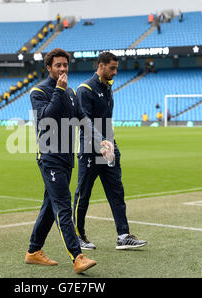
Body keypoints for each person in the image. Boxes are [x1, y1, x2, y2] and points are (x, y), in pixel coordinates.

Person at [25, 48, 108, 274]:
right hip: (49, 157)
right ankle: (77, 256)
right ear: (49, 68)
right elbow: (45, 119)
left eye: (65, 65)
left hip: (66, 157)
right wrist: (59, 91)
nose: (62, 69)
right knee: (63, 205)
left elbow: (82, 118)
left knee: (50, 207)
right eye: (58, 65)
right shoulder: (38, 91)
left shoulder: (71, 92)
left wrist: (101, 140)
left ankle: (33, 251)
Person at [73, 51, 147, 252]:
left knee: (117, 191)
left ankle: (123, 236)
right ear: (101, 66)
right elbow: (84, 121)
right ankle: (78, 236)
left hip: (110, 150)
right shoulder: (85, 89)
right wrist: (102, 142)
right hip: (90, 150)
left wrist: (111, 144)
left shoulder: (108, 89)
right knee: (83, 195)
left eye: (116, 68)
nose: (115, 72)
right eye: (112, 68)